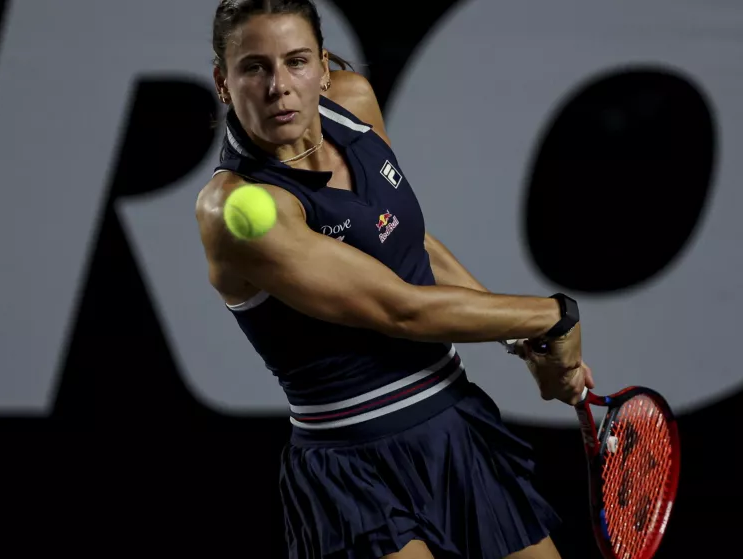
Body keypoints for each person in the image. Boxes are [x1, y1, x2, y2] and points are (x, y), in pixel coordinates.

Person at [195, 1, 595, 557]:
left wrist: (522, 339)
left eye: (296, 61)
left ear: (324, 65)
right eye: (255, 67)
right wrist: (554, 316)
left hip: (454, 423)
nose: (279, 86)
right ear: (223, 80)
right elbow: (401, 309)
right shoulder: (234, 209)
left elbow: (412, 246)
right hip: (352, 469)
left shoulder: (352, 101)